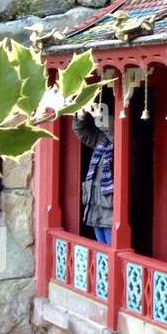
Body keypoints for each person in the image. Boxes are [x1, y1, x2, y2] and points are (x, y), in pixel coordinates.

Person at [73, 97, 114, 245]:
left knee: (110, 246)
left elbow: (115, 134)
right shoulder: (101, 139)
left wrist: (101, 118)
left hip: (110, 207)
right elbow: (81, 132)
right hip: (96, 204)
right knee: (101, 247)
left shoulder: (121, 141)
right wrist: (81, 116)